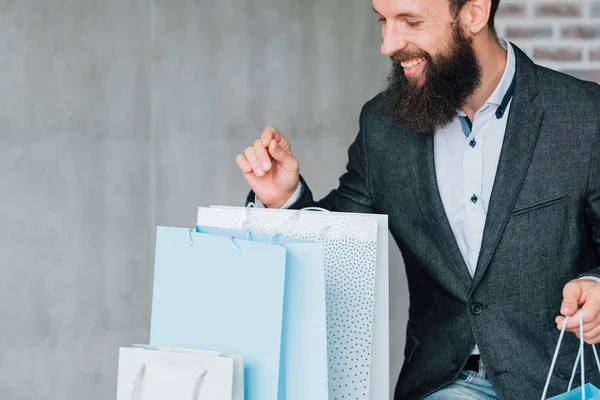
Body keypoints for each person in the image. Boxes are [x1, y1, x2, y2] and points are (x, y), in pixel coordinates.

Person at [235, 0, 600, 398]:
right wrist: (284, 199)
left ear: (474, 14)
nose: (388, 44)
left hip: (565, 381)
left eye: (409, 21)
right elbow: (336, 245)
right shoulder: (383, 128)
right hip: (448, 383)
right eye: (383, 21)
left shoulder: (583, 115)